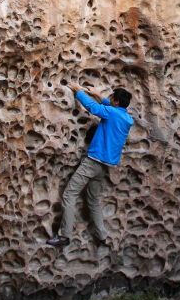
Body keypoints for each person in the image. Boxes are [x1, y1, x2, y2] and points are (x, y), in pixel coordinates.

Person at [46, 83, 134, 248]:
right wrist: (97, 94)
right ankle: (102, 236)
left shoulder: (112, 114)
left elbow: (94, 108)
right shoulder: (126, 118)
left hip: (93, 162)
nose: (108, 99)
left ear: (115, 101)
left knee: (69, 195)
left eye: (110, 97)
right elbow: (109, 107)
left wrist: (78, 92)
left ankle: (64, 236)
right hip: (104, 167)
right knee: (93, 200)